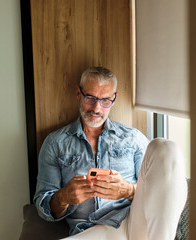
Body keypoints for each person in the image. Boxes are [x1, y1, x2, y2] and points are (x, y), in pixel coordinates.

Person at [34, 67, 187, 240]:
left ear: (114, 99)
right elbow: (42, 206)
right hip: (88, 232)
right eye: (90, 98)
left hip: (131, 224)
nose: (97, 108)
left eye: (105, 100)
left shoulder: (132, 138)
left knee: (166, 147)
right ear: (78, 93)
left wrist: (128, 190)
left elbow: (158, 186)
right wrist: (63, 197)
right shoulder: (55, 143)